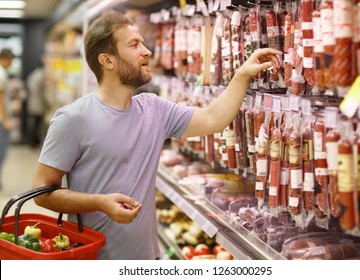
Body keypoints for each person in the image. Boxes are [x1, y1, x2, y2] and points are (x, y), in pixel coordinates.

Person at [32, 10, 281, 259]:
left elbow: (212, 118)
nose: (147, 51)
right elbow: (42, 193)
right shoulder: (73, 119)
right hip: (96, 259)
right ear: (107, 61)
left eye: (142, 42)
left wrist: (243, 74)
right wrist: (99, 203)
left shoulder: (154, 108)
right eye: (134, 44)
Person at [0, 48, 15, 191]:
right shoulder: (1, 73)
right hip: (1, 120)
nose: (11, 63)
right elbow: (1, 100)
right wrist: (6, 120)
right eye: (11, 59)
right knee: (1, 152)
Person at [26, 62, 47, 148]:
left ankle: (32, 141)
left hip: (32, 101)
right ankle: (34, 142)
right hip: (38, 102)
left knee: (33, 123)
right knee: (37, 124)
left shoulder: (33, 74)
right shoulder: (41, 74)